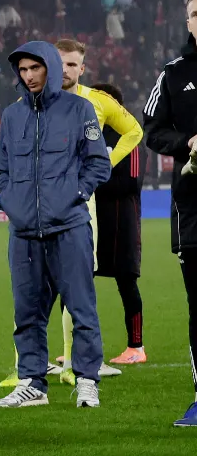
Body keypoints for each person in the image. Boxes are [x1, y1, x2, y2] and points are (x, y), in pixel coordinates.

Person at [0, 41, 110, 411]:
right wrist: (10, 200)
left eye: (35, 68)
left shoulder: (80, 109)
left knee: (81, 309)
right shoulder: (12, 116)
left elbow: (98, 163)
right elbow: (2, 169)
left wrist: (76, 194)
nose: (28, 76)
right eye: (23, 70)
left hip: (69, 226)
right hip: (24, 232)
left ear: (51, 69)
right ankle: (32, 383)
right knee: (26, 312)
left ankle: (87, 381)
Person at [51, 39, 143, 380]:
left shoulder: (97, 105)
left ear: (82, 68)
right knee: (49, 282)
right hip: (52, 203)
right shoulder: (35, 101)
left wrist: (102, 165)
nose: (65, 70)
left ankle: (94, 356)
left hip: (95, 210)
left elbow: (134, 135)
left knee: (92, 279)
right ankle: (46, 360)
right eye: (60, 63)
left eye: (72, 64)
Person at [140, 0, 197, 428]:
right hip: (193, 207)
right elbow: (152, 130)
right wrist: (188, 142)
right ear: (188, 21)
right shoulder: (174, 74)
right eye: (195, 14)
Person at [90, 83, 148, 366]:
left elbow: (131, 182)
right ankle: (76, 346)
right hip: (90, 220)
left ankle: (136, 347)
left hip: (123, 222)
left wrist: (90, 181)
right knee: (77, 282)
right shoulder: (88, 134)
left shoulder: (130, 136)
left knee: (127, 283)